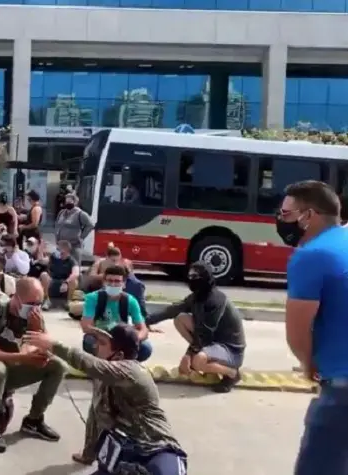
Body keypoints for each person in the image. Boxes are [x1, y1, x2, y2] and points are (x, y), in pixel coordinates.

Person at [23, 324, 187, 474]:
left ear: (119, 355)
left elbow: (89, 363)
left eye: (102, 344)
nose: (95, 347)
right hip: (122, 452)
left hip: (156, 449)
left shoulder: (133, 372)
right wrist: (89, 453)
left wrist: (54, 345)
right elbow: (95, 413)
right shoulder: (102, 378)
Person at [269, 181, 348, 475]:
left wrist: (308, 364)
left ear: (308, 216)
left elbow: (298, 331)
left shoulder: (310, 255)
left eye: (286, 214)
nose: (280, 221)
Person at [0, 277, 66, 453]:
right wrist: (24, 357)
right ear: (15, 298)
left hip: (10, 366)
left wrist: (40, 330)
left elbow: (47, 349)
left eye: (39, 303)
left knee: (58, 366)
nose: (36, 308)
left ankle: (33, 420)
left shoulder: (33, 316)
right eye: (31, 303)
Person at [146, 261, 245, 392]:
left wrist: (189, 355)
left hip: (230, 349)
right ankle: (204, 356)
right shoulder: (197, 296)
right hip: (212, 340)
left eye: (196, 277)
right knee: (180, 319)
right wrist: (146, 321)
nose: (192, 280)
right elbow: (173, 310)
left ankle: (232, 373)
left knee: (197, 361)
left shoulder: (216, 300)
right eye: (190, 277)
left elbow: (205, 333)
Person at [81, 265, 153, 363]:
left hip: (121, 338)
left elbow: (143, 329)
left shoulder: (130, 301)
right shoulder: (92, 298)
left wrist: (133, 338)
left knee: (145, 347)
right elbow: (86, 326)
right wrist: (106, 339)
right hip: (101, 337)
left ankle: (127, 364)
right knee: (89, 341)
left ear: (124, 284)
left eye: (117, 281)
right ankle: (99, 364)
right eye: (109, 281)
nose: (113, 284)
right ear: (104, 282)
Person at [40, 240, 80, 310]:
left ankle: (68, 301)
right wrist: (41, 249)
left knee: (74, 281)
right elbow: (43, 260)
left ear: (65, 250)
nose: (56, 250)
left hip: (65, 284)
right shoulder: (53, 257)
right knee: (44, 275)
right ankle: (47, 300)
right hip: (53, 281)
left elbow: (76, 273)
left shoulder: (72, 261)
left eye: (58, 249)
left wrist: (66, 282)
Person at [54, 193, 94, 264]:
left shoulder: (80, 214)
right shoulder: (62, 212)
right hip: (61, 245)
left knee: (74, 265)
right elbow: (57, 224)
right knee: (60, 265)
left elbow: (90, 225)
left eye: (70, 202)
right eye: (66, 202)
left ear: (75, 202)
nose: (67, 203)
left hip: (74, 245)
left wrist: (81, 237)